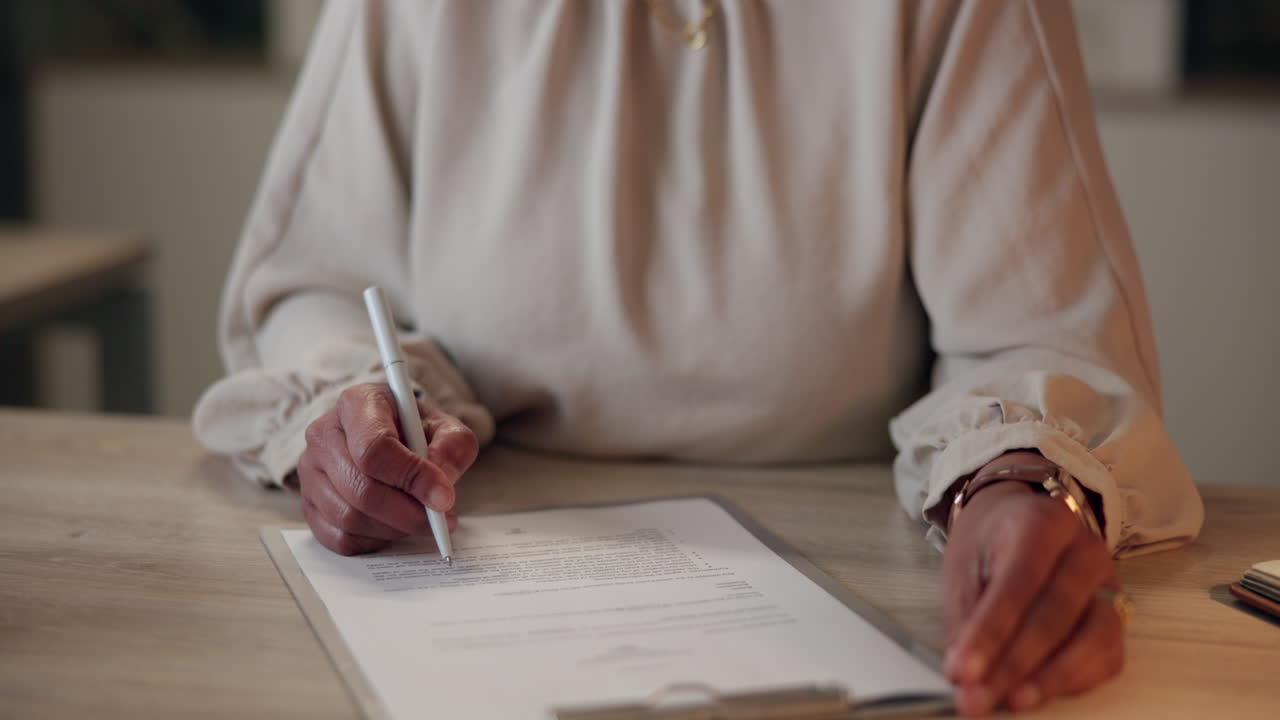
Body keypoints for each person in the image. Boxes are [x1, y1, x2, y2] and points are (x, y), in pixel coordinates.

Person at [193, 1, 1204, 715]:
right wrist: (353, 408)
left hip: (862, 578)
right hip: (472, 546)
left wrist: (1017, 483)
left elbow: (1038, 327)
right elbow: (314, 280)